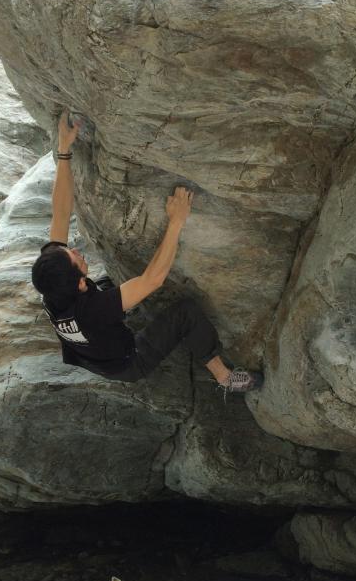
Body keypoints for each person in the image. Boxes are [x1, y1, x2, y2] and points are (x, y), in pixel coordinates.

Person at [31, 112, 263, 394]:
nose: (76, 252)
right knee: (186, 313)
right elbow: (153, 279)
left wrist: (64, 150)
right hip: (129, 362)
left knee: (110, 283)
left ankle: (119, 321)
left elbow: (60, 212)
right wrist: (176, 221)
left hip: (92, 350)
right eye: (76, 259)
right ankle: (224, 377)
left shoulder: (51, 283)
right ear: (80, 284)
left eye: (69, 251)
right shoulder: (92, 310)